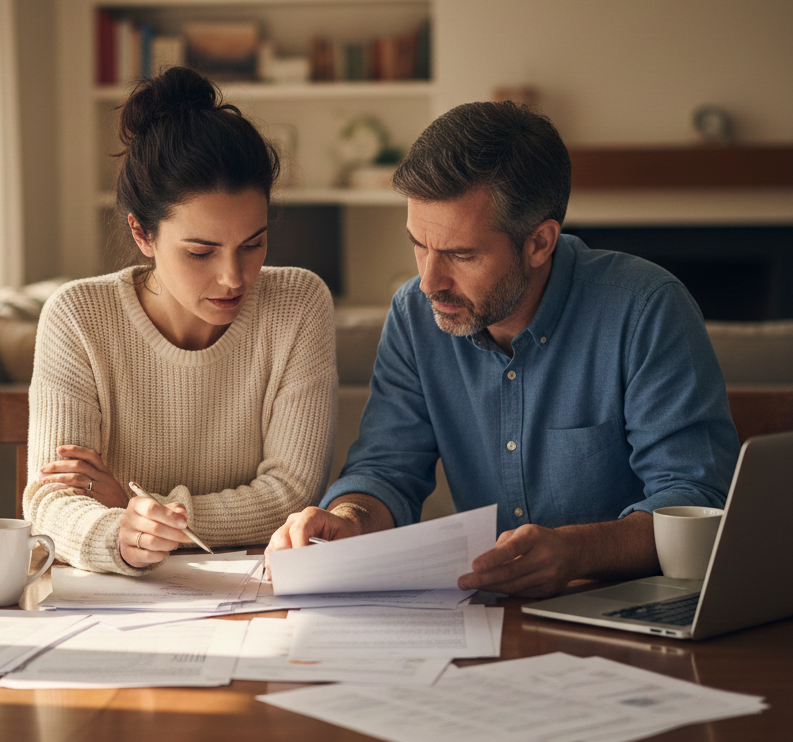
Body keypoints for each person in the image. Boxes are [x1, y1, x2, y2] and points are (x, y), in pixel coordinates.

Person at [265, 101, 739, 597]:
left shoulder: (647, 309)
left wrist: (576, 551)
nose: (429, 282)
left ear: (539, 243)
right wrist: (348, 519)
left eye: (460, 255)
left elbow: (695, 499)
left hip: (625, 607)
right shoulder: (414, 314)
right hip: (486, 614)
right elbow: (386, 469)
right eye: (419, 245)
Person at [23, 67, 337, 575]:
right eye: (200, 252)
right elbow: (49, 501)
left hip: (256, 595)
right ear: (143, 234)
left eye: (252, 244)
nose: (233, 277)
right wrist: (119, 535)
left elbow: (292, 495)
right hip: (120, 602)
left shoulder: (298, 304)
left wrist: (141, 510)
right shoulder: (77, 316)